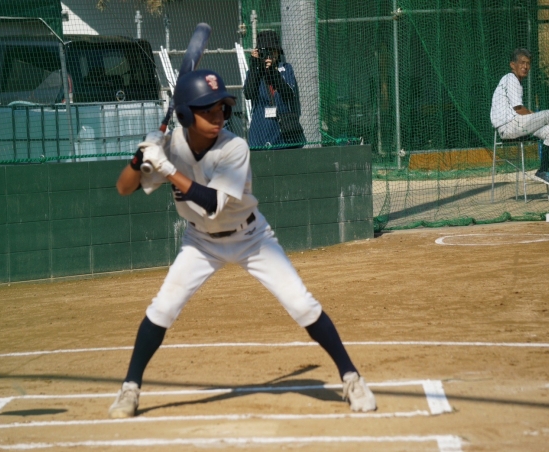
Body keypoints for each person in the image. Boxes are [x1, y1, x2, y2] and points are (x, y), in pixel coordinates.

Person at [109, 69, 376, 418]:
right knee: (163, 308)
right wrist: (141, 155)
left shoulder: (234, 147)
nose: (218, 116)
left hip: (251, 238)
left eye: (222, 108)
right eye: (208, 111)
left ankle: (352, 378)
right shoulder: (170, 148)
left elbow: (212, 203)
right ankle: (130, 388)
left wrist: (168, 169)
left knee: (301, 304)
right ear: (185, 115)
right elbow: (124, 188)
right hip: (200, 241)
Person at [490, 48, 549, 187]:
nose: (525, 66)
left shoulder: (514, 81)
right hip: (509, 125)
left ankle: (543, 171)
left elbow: (520, 110)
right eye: (522, 63)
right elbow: (518, 109)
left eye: (528, 63)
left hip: (515, 126)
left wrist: (535, 117)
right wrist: (536, 116)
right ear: (513, 65)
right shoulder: (510, 78)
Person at [243, 30, 305, 149]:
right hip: (260, 129)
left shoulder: (285, 69)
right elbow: (248, 94)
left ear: (278, 51)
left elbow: (288, 94)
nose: (269, 55)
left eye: (272, 51)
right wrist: (255, 66)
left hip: (284, 131)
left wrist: (272, 71)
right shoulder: (254, 72)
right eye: (265, 51)